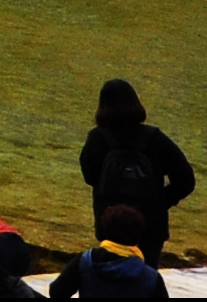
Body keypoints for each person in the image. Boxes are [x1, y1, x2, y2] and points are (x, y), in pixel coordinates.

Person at [82, 82, 198, 248]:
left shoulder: (97, 138)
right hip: (151, 225)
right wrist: (160, 201)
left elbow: (90, 177)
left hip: (111, 225)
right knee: (147, 273)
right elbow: (185, 180)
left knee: (112, 271)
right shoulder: (155, 138)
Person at [48, 204, 168, 302]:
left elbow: (56, 292)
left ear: (105, 230)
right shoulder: (151, 278)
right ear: (138, 238)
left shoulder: (86, 261)